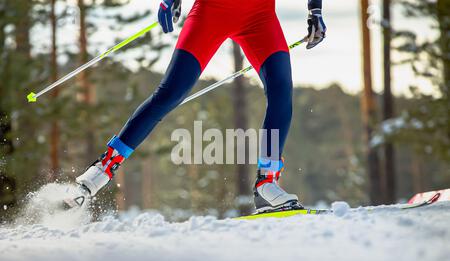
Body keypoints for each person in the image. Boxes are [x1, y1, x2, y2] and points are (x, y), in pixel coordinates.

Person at [74, 0, 326, 213]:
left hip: (259, 17)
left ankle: (266, 183)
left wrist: (315, 10)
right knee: (170, 93)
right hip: (212, 12)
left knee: (281, 92)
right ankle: (104, 167)